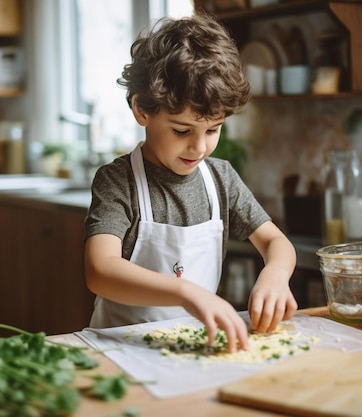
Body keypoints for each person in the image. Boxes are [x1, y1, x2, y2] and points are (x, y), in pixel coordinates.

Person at [84, 14, 298, 353]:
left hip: (191, 349)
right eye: (182, 130)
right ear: (142, 110)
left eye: (213, 130)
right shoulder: (117, 181)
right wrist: (186, 292)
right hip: (120, 349)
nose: (199, 147)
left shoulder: (220, 178)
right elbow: (101, 270)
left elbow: (275, 241)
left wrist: (275, 274)